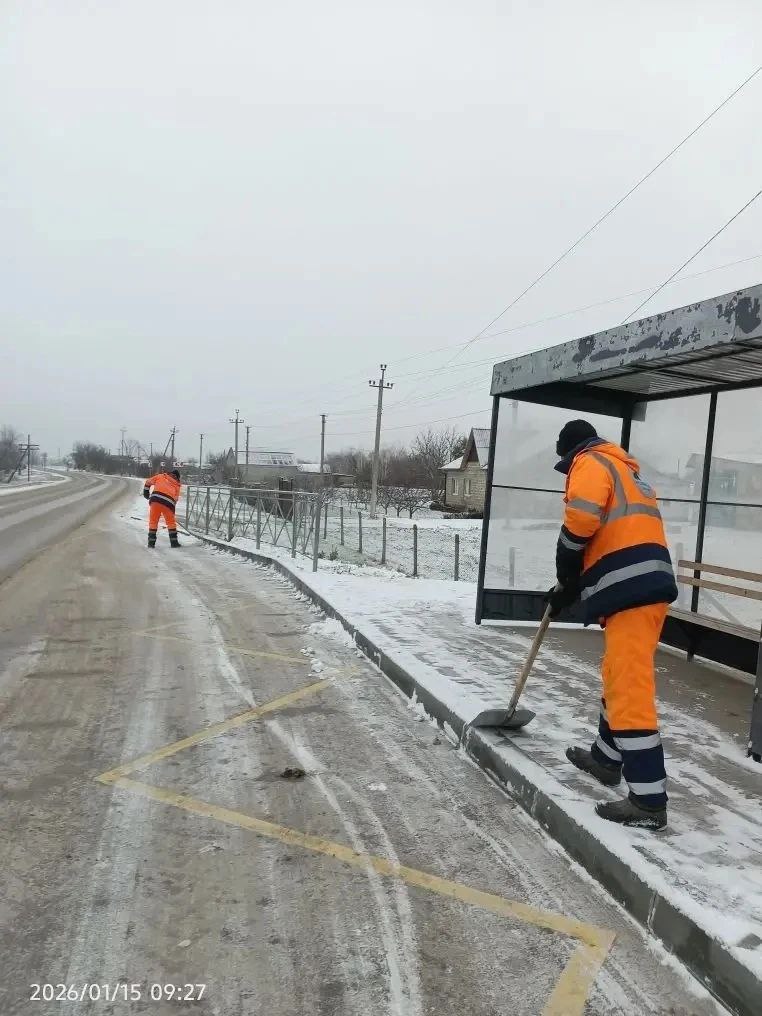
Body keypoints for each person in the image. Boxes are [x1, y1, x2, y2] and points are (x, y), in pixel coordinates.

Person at [546, 419, 677, 830]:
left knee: (628, 689)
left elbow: (581, 521)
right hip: (640, 586)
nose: (567, 470)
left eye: (565, 462)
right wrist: (572, 585)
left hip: (634, 590)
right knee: (617, 675)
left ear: (572, 451)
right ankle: (606, 760)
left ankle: (648, 801)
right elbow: (614, 534)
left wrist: (566, 568)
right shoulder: (623, 469)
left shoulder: (590, 462)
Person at [143, 468, 182, 548]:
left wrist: (146, 492)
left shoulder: (160, 476)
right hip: (168, 503)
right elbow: (175, 499)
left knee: (153, 522)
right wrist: (172, 509)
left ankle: (151, 543)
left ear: (169, 473)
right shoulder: (177, 485)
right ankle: (174, 543)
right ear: (177, 477)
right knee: (171, 523)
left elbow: (148, 482)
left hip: (155, 500)